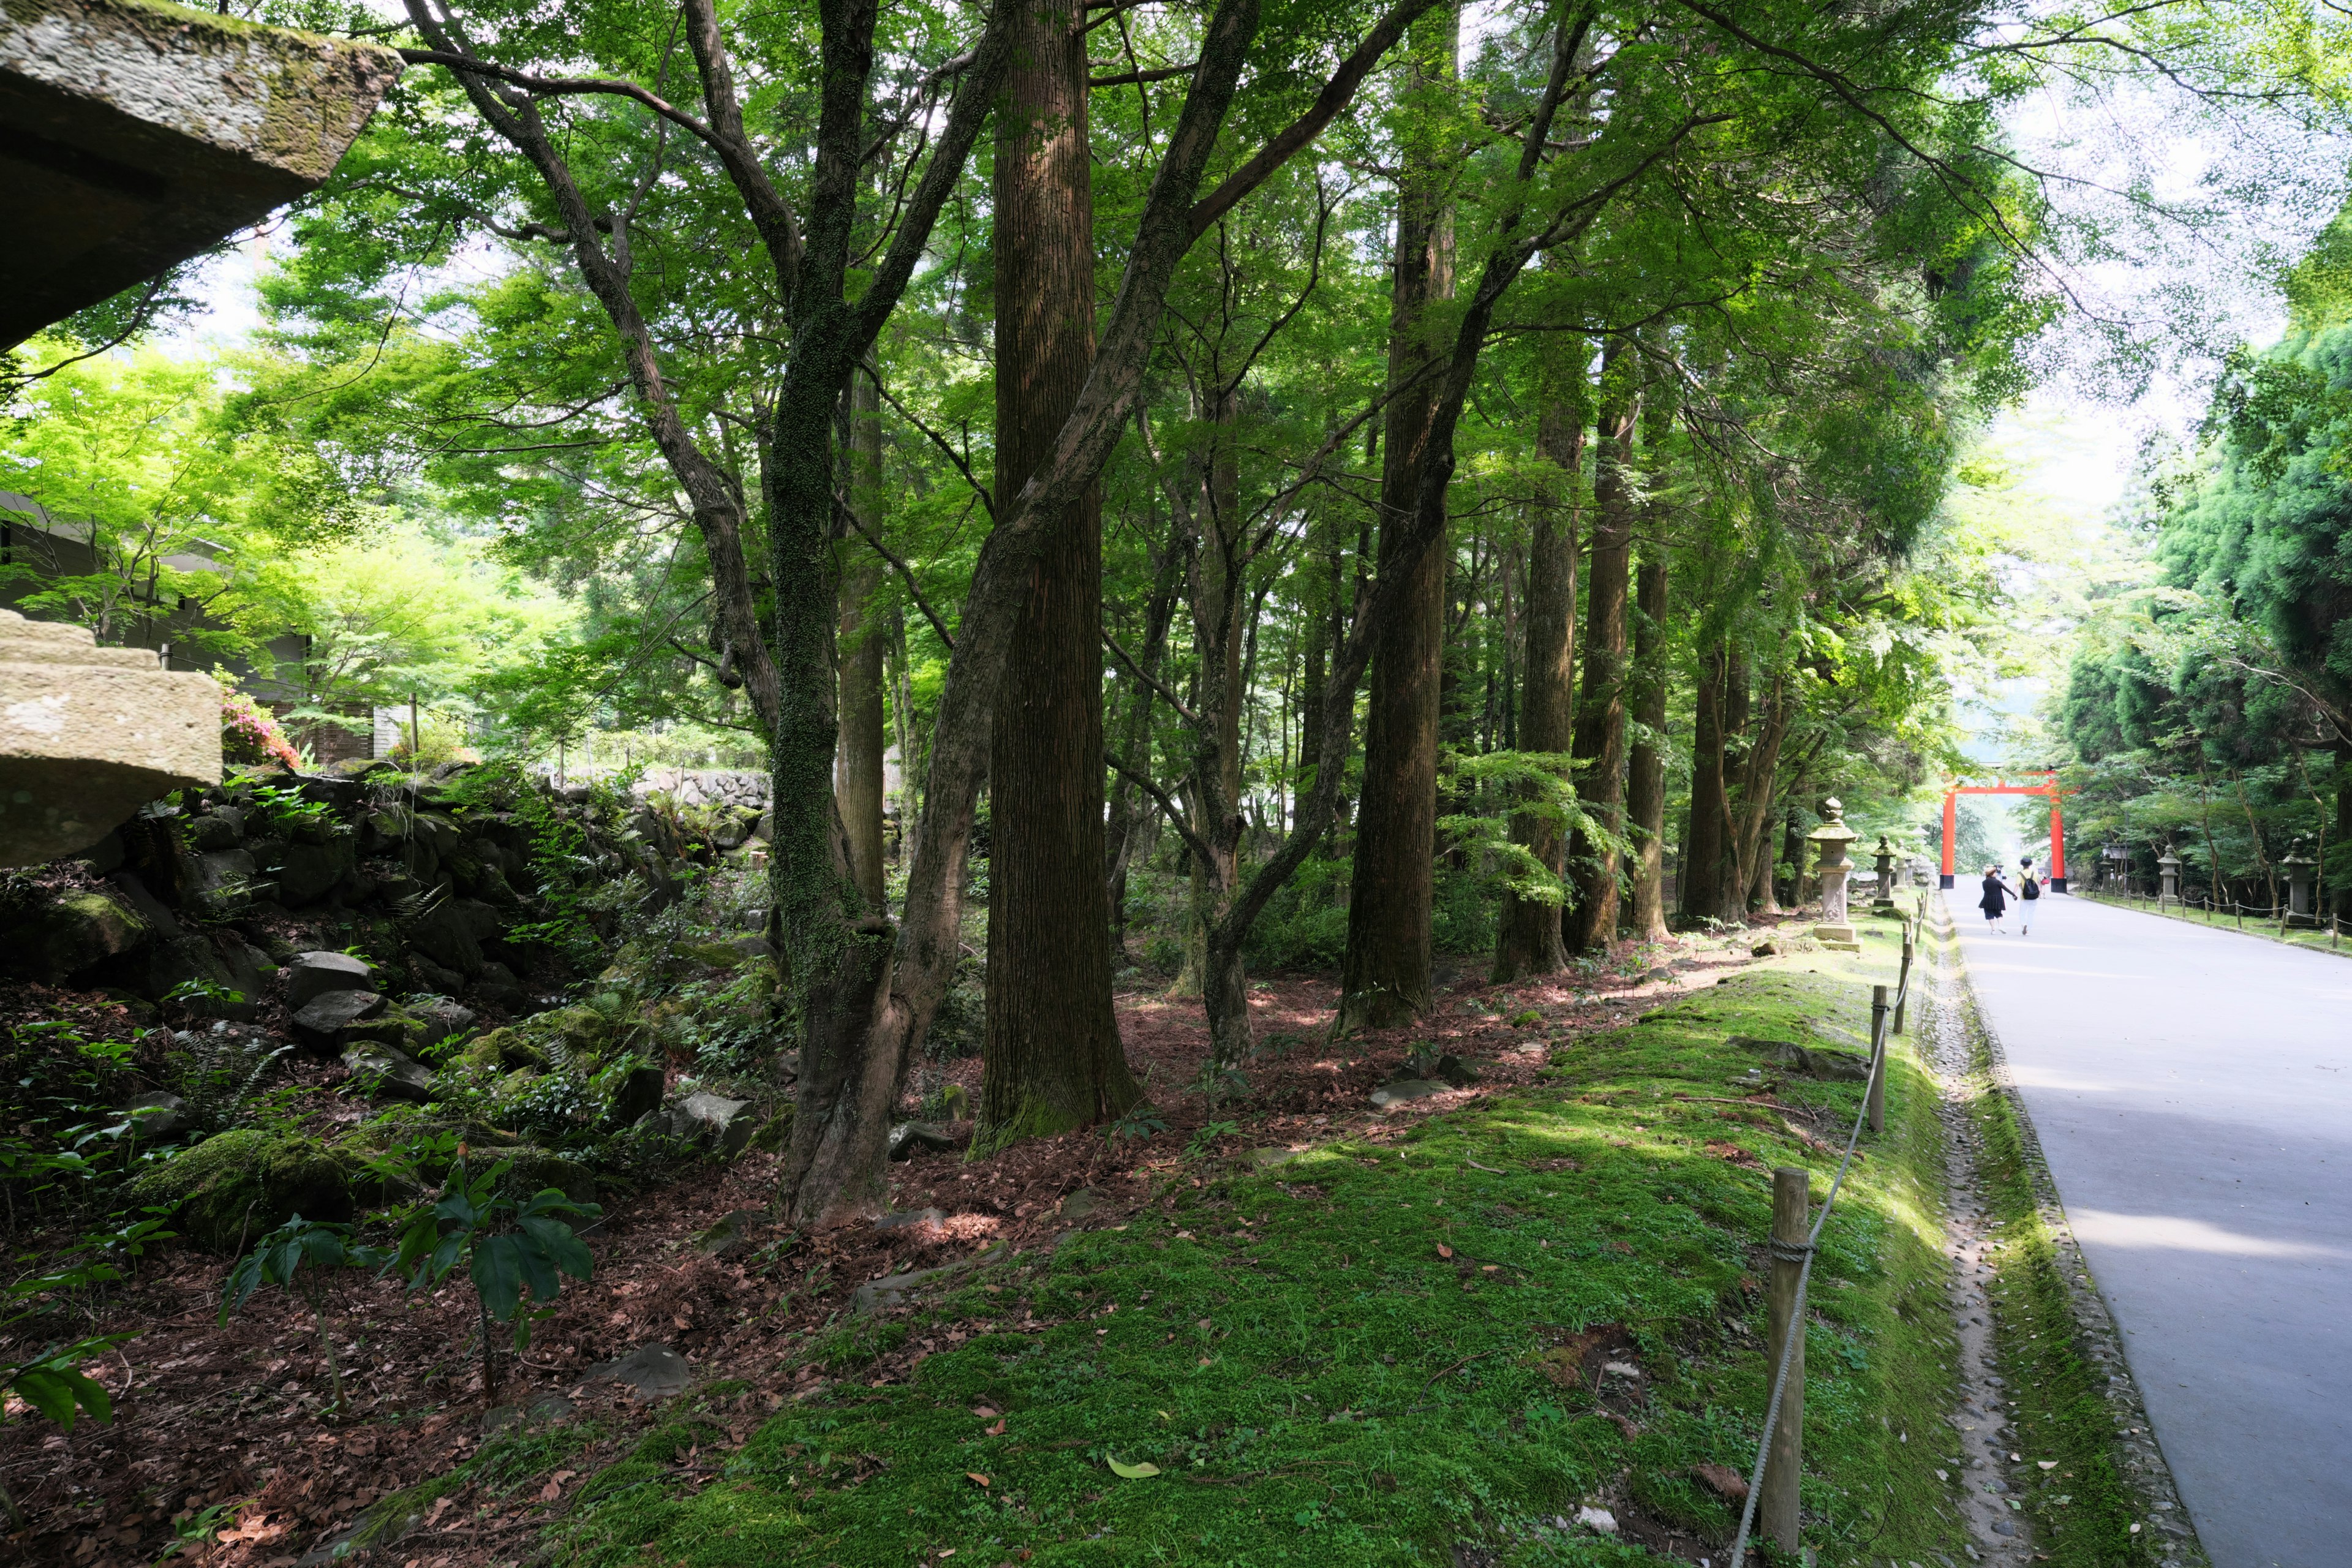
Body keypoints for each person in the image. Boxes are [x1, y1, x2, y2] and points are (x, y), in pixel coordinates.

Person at [1979, 864, 2012, 933]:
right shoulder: (1997, 882)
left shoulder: (1984, 883)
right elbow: (2005, 889)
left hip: (1987, 900)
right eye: (1995, 873)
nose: (1996, 874)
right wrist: (2013, 895)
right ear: (1991, 874)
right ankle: (2000, 926)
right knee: (1998, 914)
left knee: (1989, 914)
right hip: (1997, 900)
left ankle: (1993, 929)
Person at [2017, 856, 2041, 934]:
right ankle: (2028, 928)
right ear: (2030, 864)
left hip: (2024, 896)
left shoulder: (2020, 874)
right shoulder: (2035, 873)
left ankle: (2024, 924)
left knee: (2022, 912)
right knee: (2031, 913)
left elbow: (2017, 885)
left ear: (2022, 864)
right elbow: (2038, 884)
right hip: (2034, 896)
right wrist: (2040, 893)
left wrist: (2013, 894)